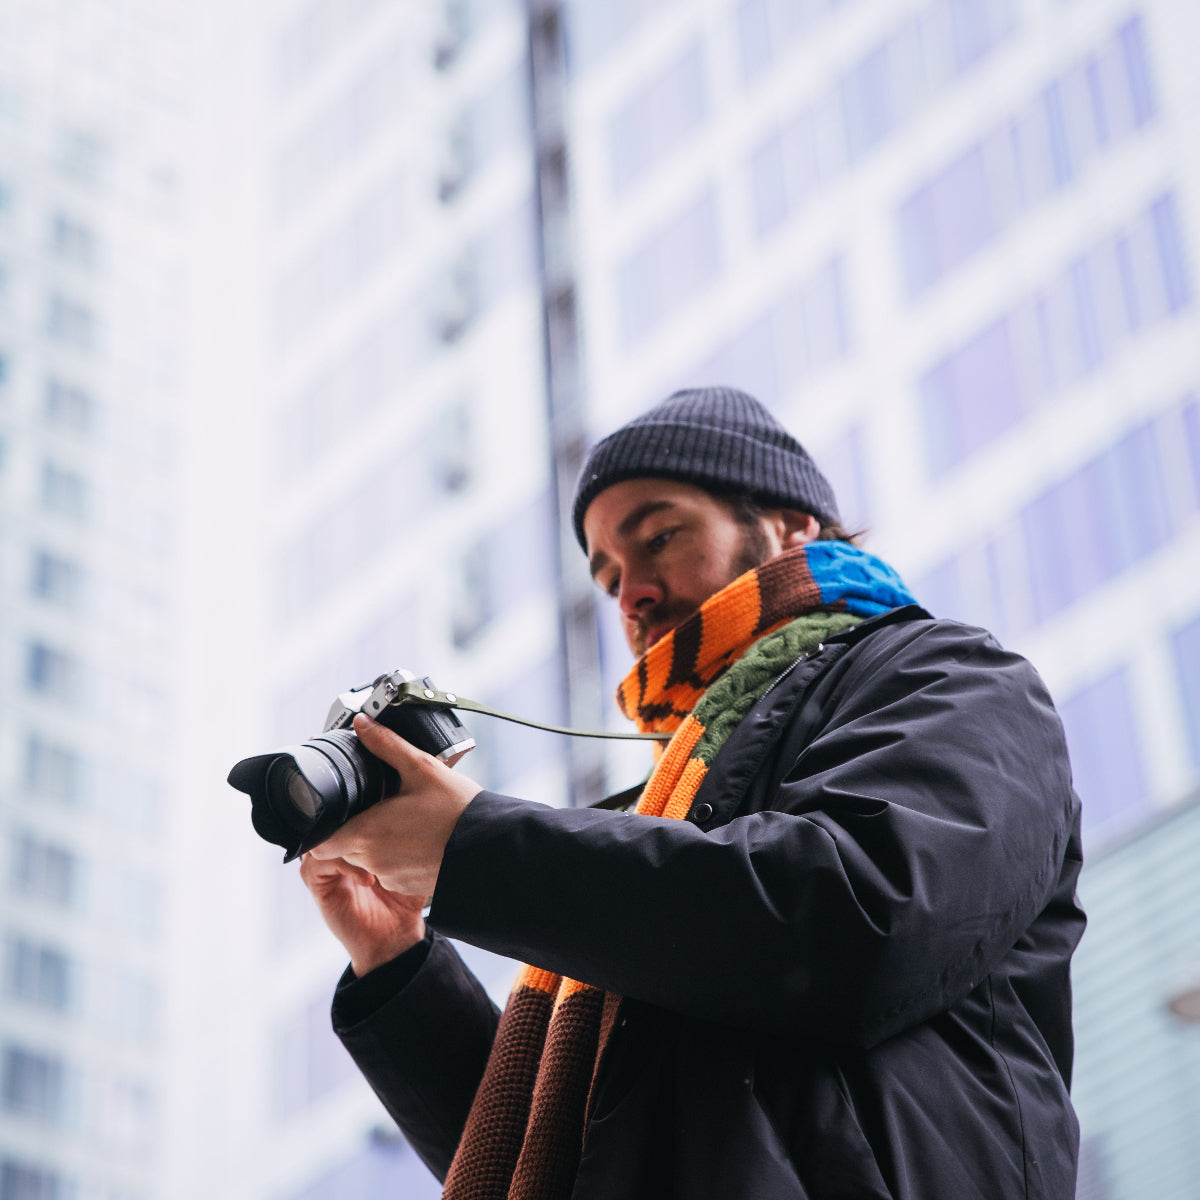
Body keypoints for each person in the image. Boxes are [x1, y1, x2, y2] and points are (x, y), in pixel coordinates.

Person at [300, 388, 1084, 1199]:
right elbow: (562, 1149)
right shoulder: (664, 810)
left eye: (661, 537)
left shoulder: (948, 675)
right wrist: (396, 960)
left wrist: (472, 850)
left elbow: (859, 920)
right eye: (607, 579)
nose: (631, 593)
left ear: (789, 525)